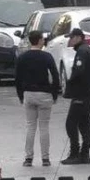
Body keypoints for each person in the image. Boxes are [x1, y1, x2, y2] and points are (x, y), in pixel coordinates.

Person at [15, 30, 61, 167]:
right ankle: (45, 158)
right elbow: (55, 75)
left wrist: (20, 95)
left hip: (28, 93)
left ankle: (28, 158)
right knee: (44, 127)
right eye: (43, 39)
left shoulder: (23, 57)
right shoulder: (47, 57)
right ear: (40, 40)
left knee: (30, 126)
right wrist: (54, 93)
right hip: (44, 94)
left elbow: (18, 78)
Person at [61, 28, 90, 165]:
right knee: (84, 122)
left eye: (71, 38)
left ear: (78, 38)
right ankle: (85, 153)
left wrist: (70, 85)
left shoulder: (82, 51)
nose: (70, 40)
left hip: (82, 92)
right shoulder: (88, 50)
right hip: (88, 91)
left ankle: (75, 152)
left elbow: (79, 72)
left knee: (71, 123)